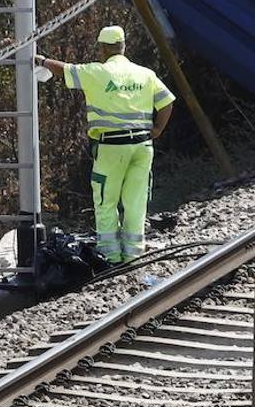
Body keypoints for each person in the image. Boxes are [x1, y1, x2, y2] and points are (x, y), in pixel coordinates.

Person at [37, 25, 175, 264]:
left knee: (106, 201)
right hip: (142, 146)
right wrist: (157, 130)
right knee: (135, 200)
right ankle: (133, 254)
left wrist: (41, 60)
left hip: (111, 147)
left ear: (102, 48)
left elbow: (64, 70)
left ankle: (110, 255)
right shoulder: (145, 74)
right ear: (124, 47)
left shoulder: (97, 72)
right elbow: (166, 103)